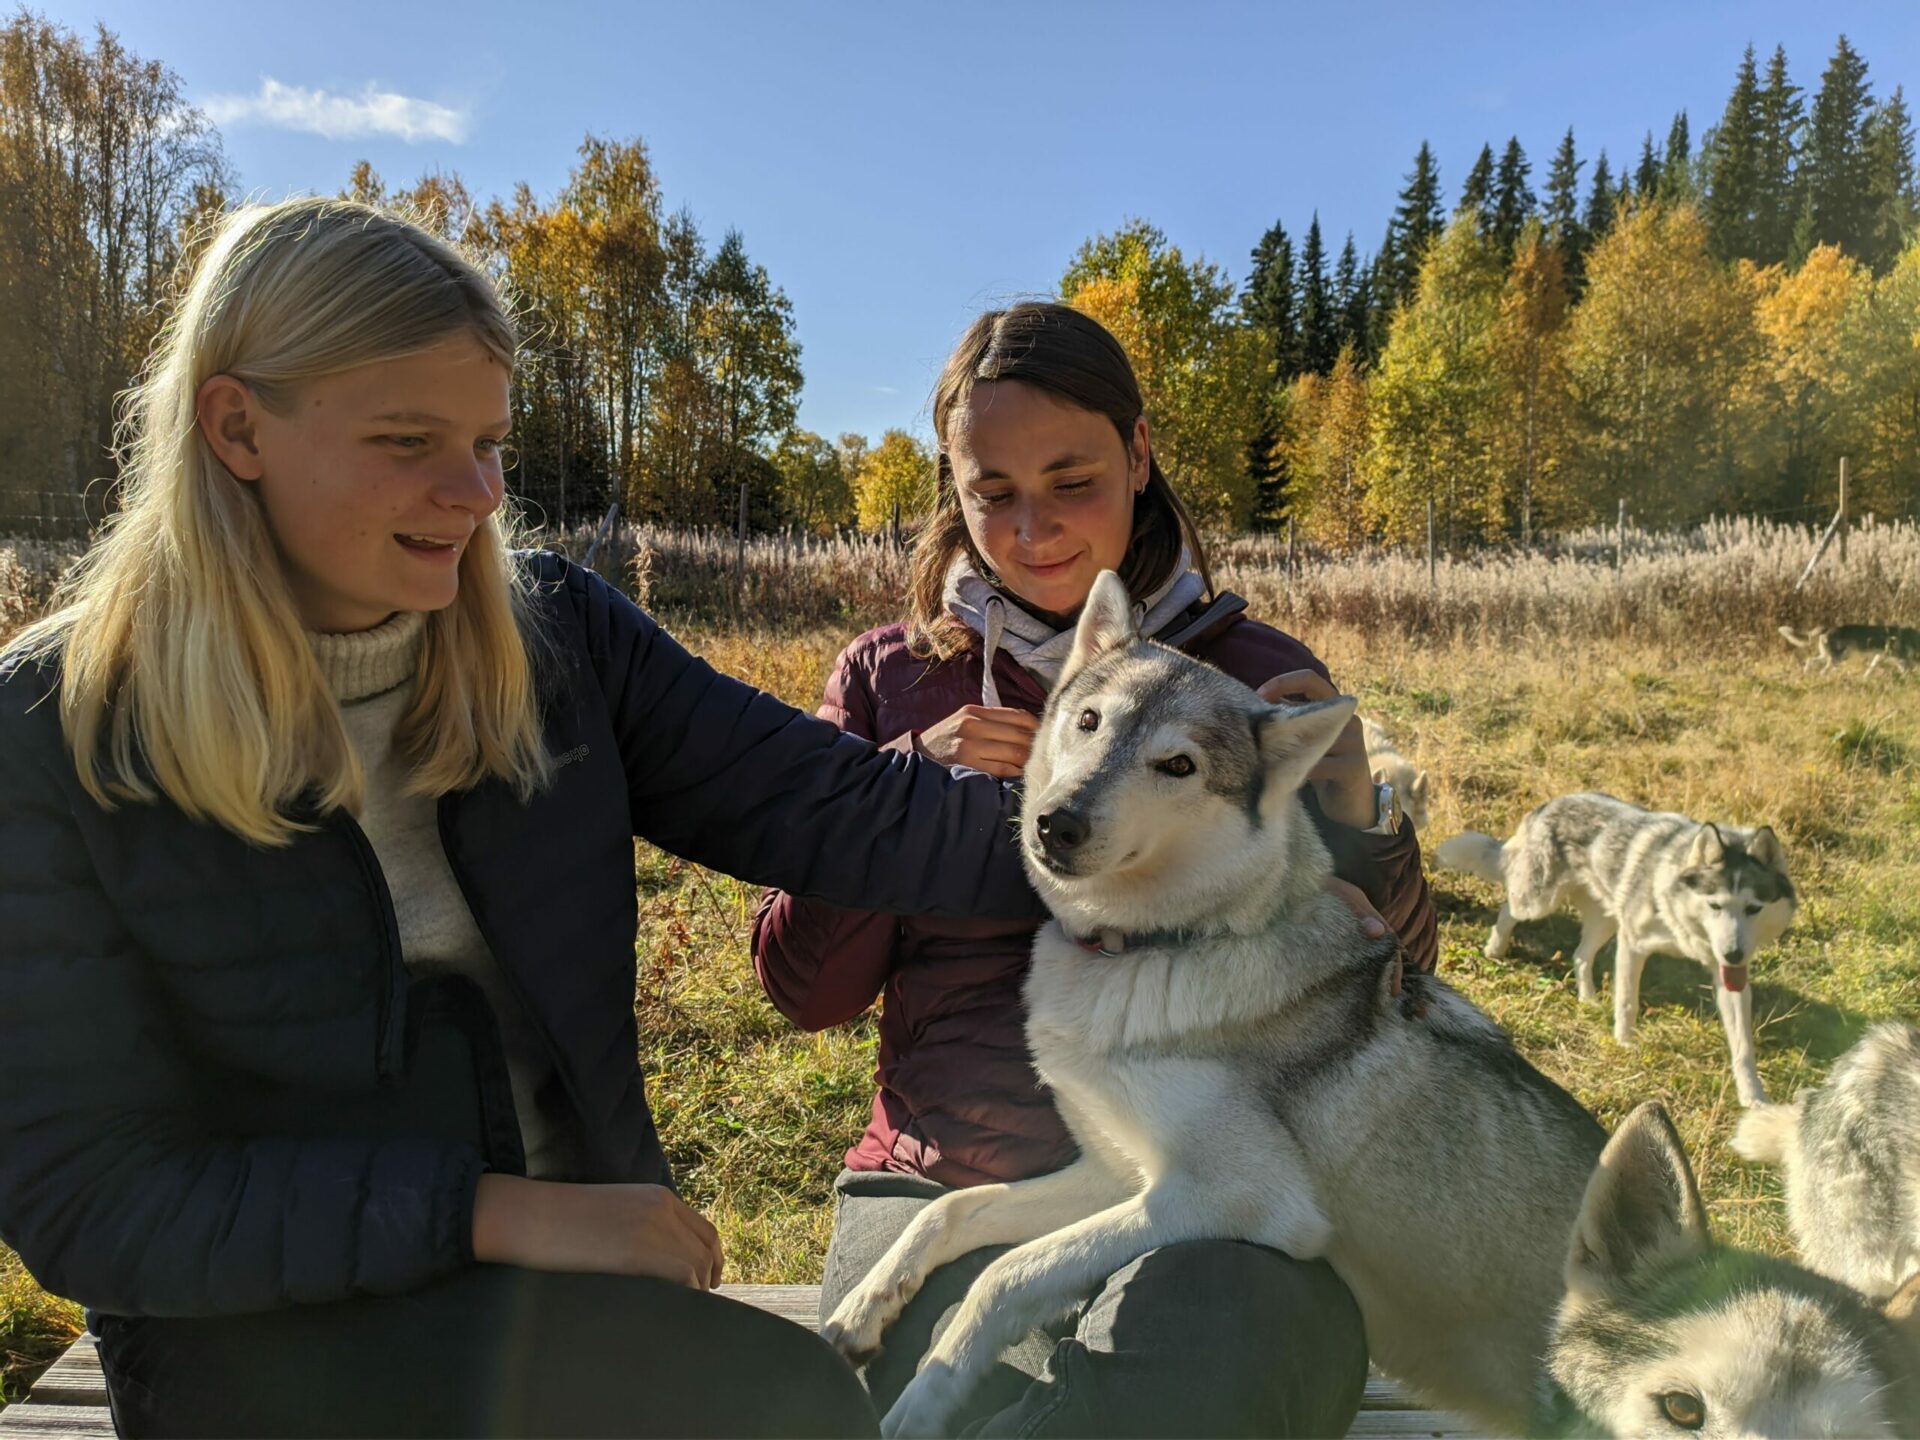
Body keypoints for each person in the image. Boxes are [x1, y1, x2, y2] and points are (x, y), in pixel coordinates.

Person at [0, 198, 1047, 1439]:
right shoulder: (55, 733)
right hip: (258, 1347)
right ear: (236, 427)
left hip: (578, 1308)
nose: (476, 494)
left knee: (796, 1405)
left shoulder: (556, 640)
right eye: (409, 441)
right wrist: (498, 1212)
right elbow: (92, 1197)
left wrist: (1229, 855)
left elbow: (841, 805)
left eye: (491, 441)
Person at [753, 302, 1438, 1439]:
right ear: (952, 488)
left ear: (1138, 454)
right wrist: (894, 794)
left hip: (1203, 1193)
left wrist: (1357, 816)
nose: (1031, 531)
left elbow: (1394, 994)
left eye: (1072, 481)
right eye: (992, 493)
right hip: (941, 1180)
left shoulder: (1257, 688)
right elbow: (803, 991)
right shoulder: (890, 683)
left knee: (1226, 1358)